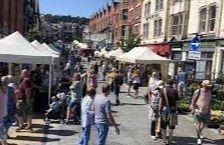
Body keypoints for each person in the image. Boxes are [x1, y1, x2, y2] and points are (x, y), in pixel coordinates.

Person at [190, 80, 212, 145]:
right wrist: (192, 108)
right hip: (198, 111)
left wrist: (209, 109)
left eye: (209, 86)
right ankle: (199, 138)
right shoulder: (198, 91)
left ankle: (199, 132)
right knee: (198, 124)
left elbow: (209, 101)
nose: (209, 87)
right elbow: (193, 100)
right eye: (208, 86)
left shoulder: (209, 92)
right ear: (204, 86)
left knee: (204, 124)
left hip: (206, 111)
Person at [159, 80, 178, 145]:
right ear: (172, 84)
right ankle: (170, 140)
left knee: (163, 125)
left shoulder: (162, 90)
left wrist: (159, 110)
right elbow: (176, 101)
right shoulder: (175, 90)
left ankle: (164, 140)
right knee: (171, 125)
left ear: (166, 83)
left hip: (164, 108)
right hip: (172, 109)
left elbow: (161, 101)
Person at [0, 76, 8, 145]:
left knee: (1, 128)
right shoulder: (4, 89)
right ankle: (4, 141)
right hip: (3, 111)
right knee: (2, 126)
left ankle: (4, 142)